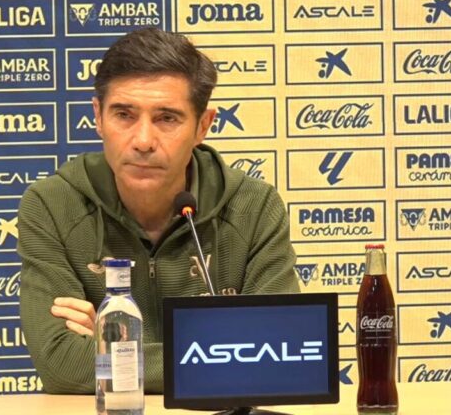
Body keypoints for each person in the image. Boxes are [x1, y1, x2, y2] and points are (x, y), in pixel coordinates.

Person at [17, 27, 298, 394]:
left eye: (167, 118)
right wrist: (222, 353)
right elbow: (62, 364)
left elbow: (277, 357)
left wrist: (106, 350)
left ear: (203, 126)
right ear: (98, 117)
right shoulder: (53, 205)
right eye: (124, 115)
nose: (144, 141)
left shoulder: (253, 207)